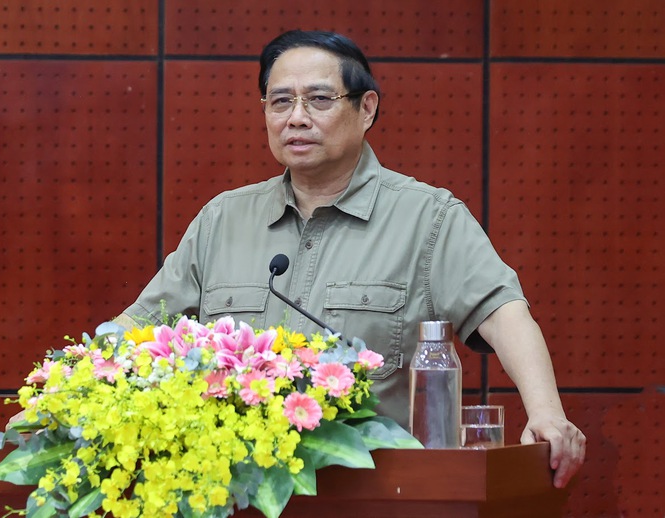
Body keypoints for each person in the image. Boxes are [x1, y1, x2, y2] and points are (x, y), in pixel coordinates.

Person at [113, 30, 585, 488]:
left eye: (319, 100)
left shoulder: (428, 218)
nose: (296, 118)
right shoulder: (223, 220)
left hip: (377, 492)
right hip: (235, 491)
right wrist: (76, 386)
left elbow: (503, 314)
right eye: (280, 102)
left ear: (366, 109)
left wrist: (546, 413)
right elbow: (135, 330)